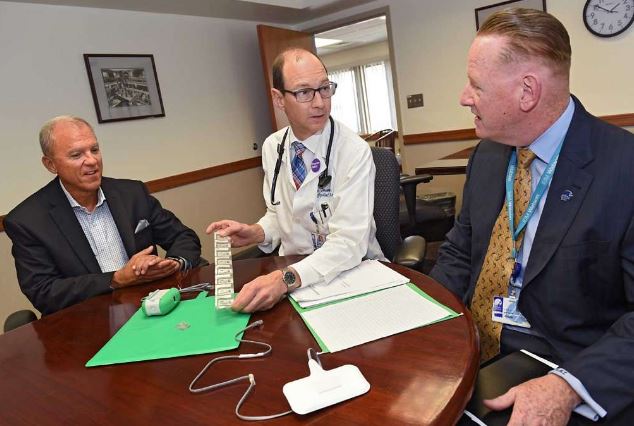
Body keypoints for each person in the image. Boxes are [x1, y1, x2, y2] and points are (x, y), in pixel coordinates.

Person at [430, 8, 634, 425]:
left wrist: (568, 386)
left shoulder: (624, 168)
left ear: (528, 91)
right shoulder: (487, 156)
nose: (464, 97)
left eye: (475, 85)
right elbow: (459, 249)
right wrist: (420, 314)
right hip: (470, 347)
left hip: (565, 365)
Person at [207, 48, 384, 313]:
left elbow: (349, 242)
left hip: (350, 273)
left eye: (324, 88)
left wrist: (285, 279)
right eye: (304, 92)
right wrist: (257, 232)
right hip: (294, 275)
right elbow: (280, 214)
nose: (320, 103)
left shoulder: (353, 151)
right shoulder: (272, 147)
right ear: (279, 99)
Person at [4, 116, 201, 315]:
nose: (91, 161)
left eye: (95, 150)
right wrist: (116, 279)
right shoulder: (28, 221)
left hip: (150, 311)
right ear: (50, 165)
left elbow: (183, 236)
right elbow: (44, 291)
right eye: (76, 155)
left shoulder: (132, 193)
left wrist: (173, 264)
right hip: (86, 324)